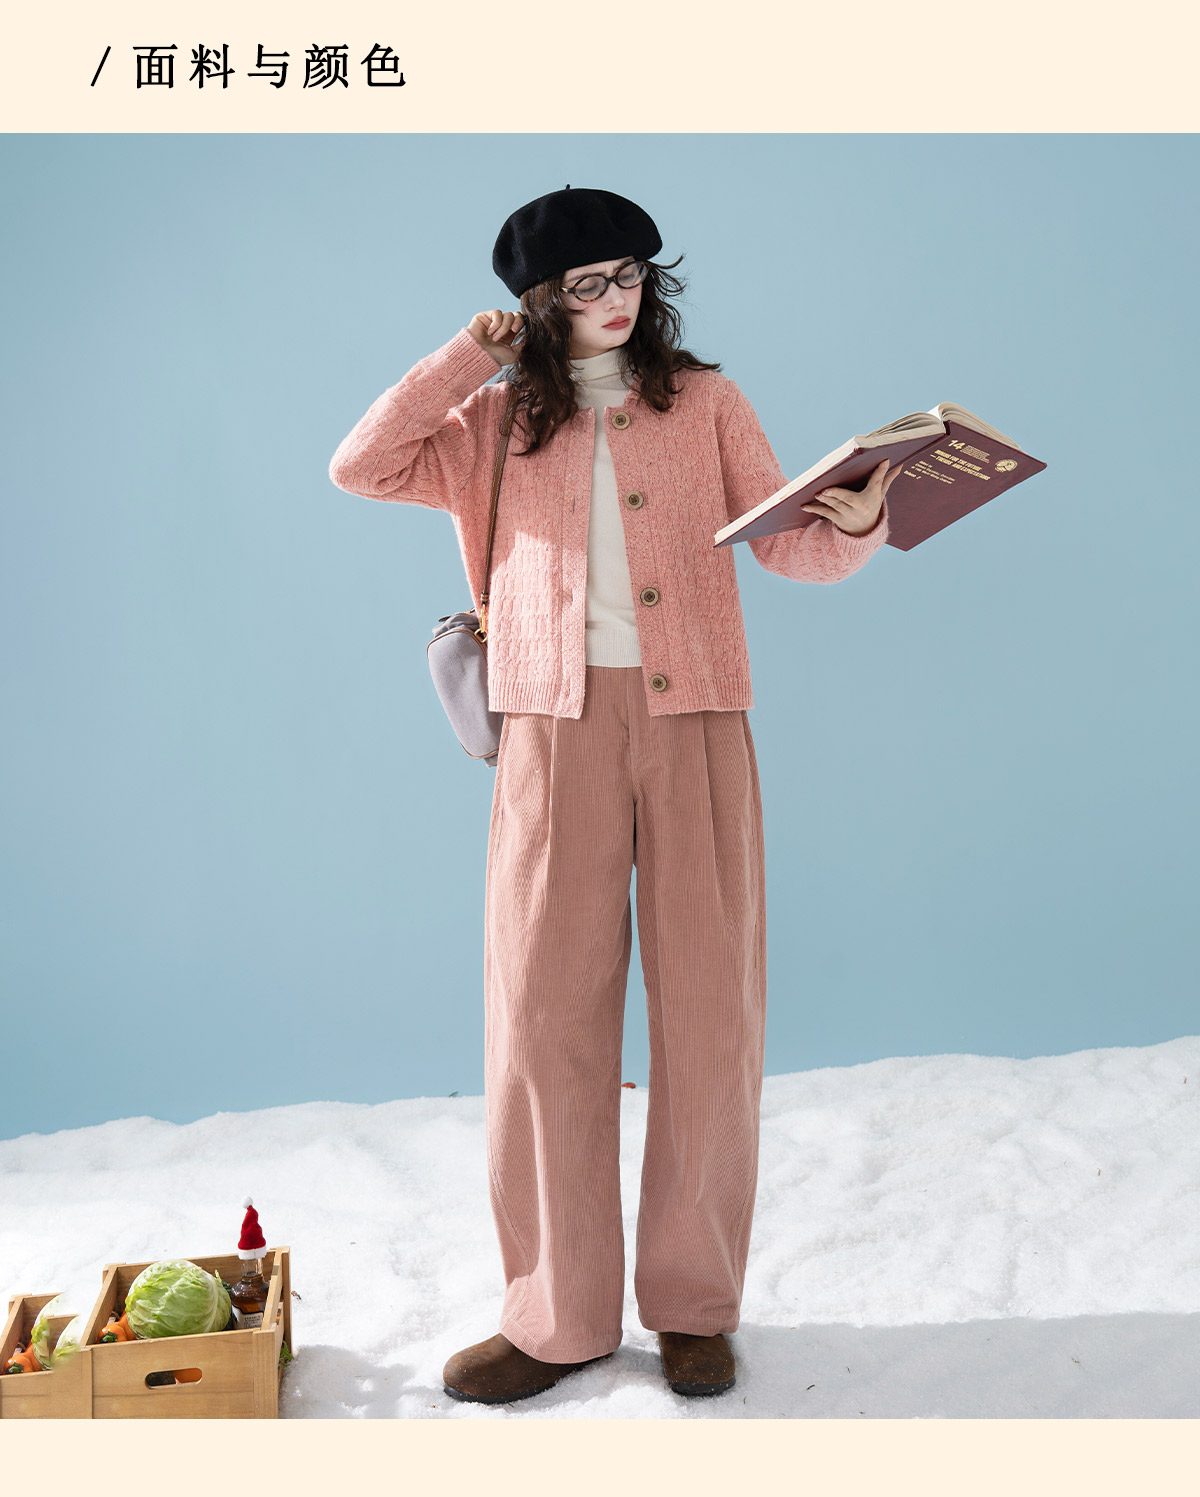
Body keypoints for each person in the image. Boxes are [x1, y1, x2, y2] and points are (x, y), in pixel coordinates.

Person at [328, 186, 897, 1405]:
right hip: (549, 729)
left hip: (698, 725)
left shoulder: (707, 403)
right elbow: (360, 464)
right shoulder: (490, 420)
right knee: (541, 1021)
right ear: (538, 302)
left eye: (631, 273)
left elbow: (789, 545)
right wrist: (464, 356)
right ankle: (556, 1316)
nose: (617, 298)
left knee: (711, 1017)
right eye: (587, 284)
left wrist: (856, 522)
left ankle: (694, 1307)